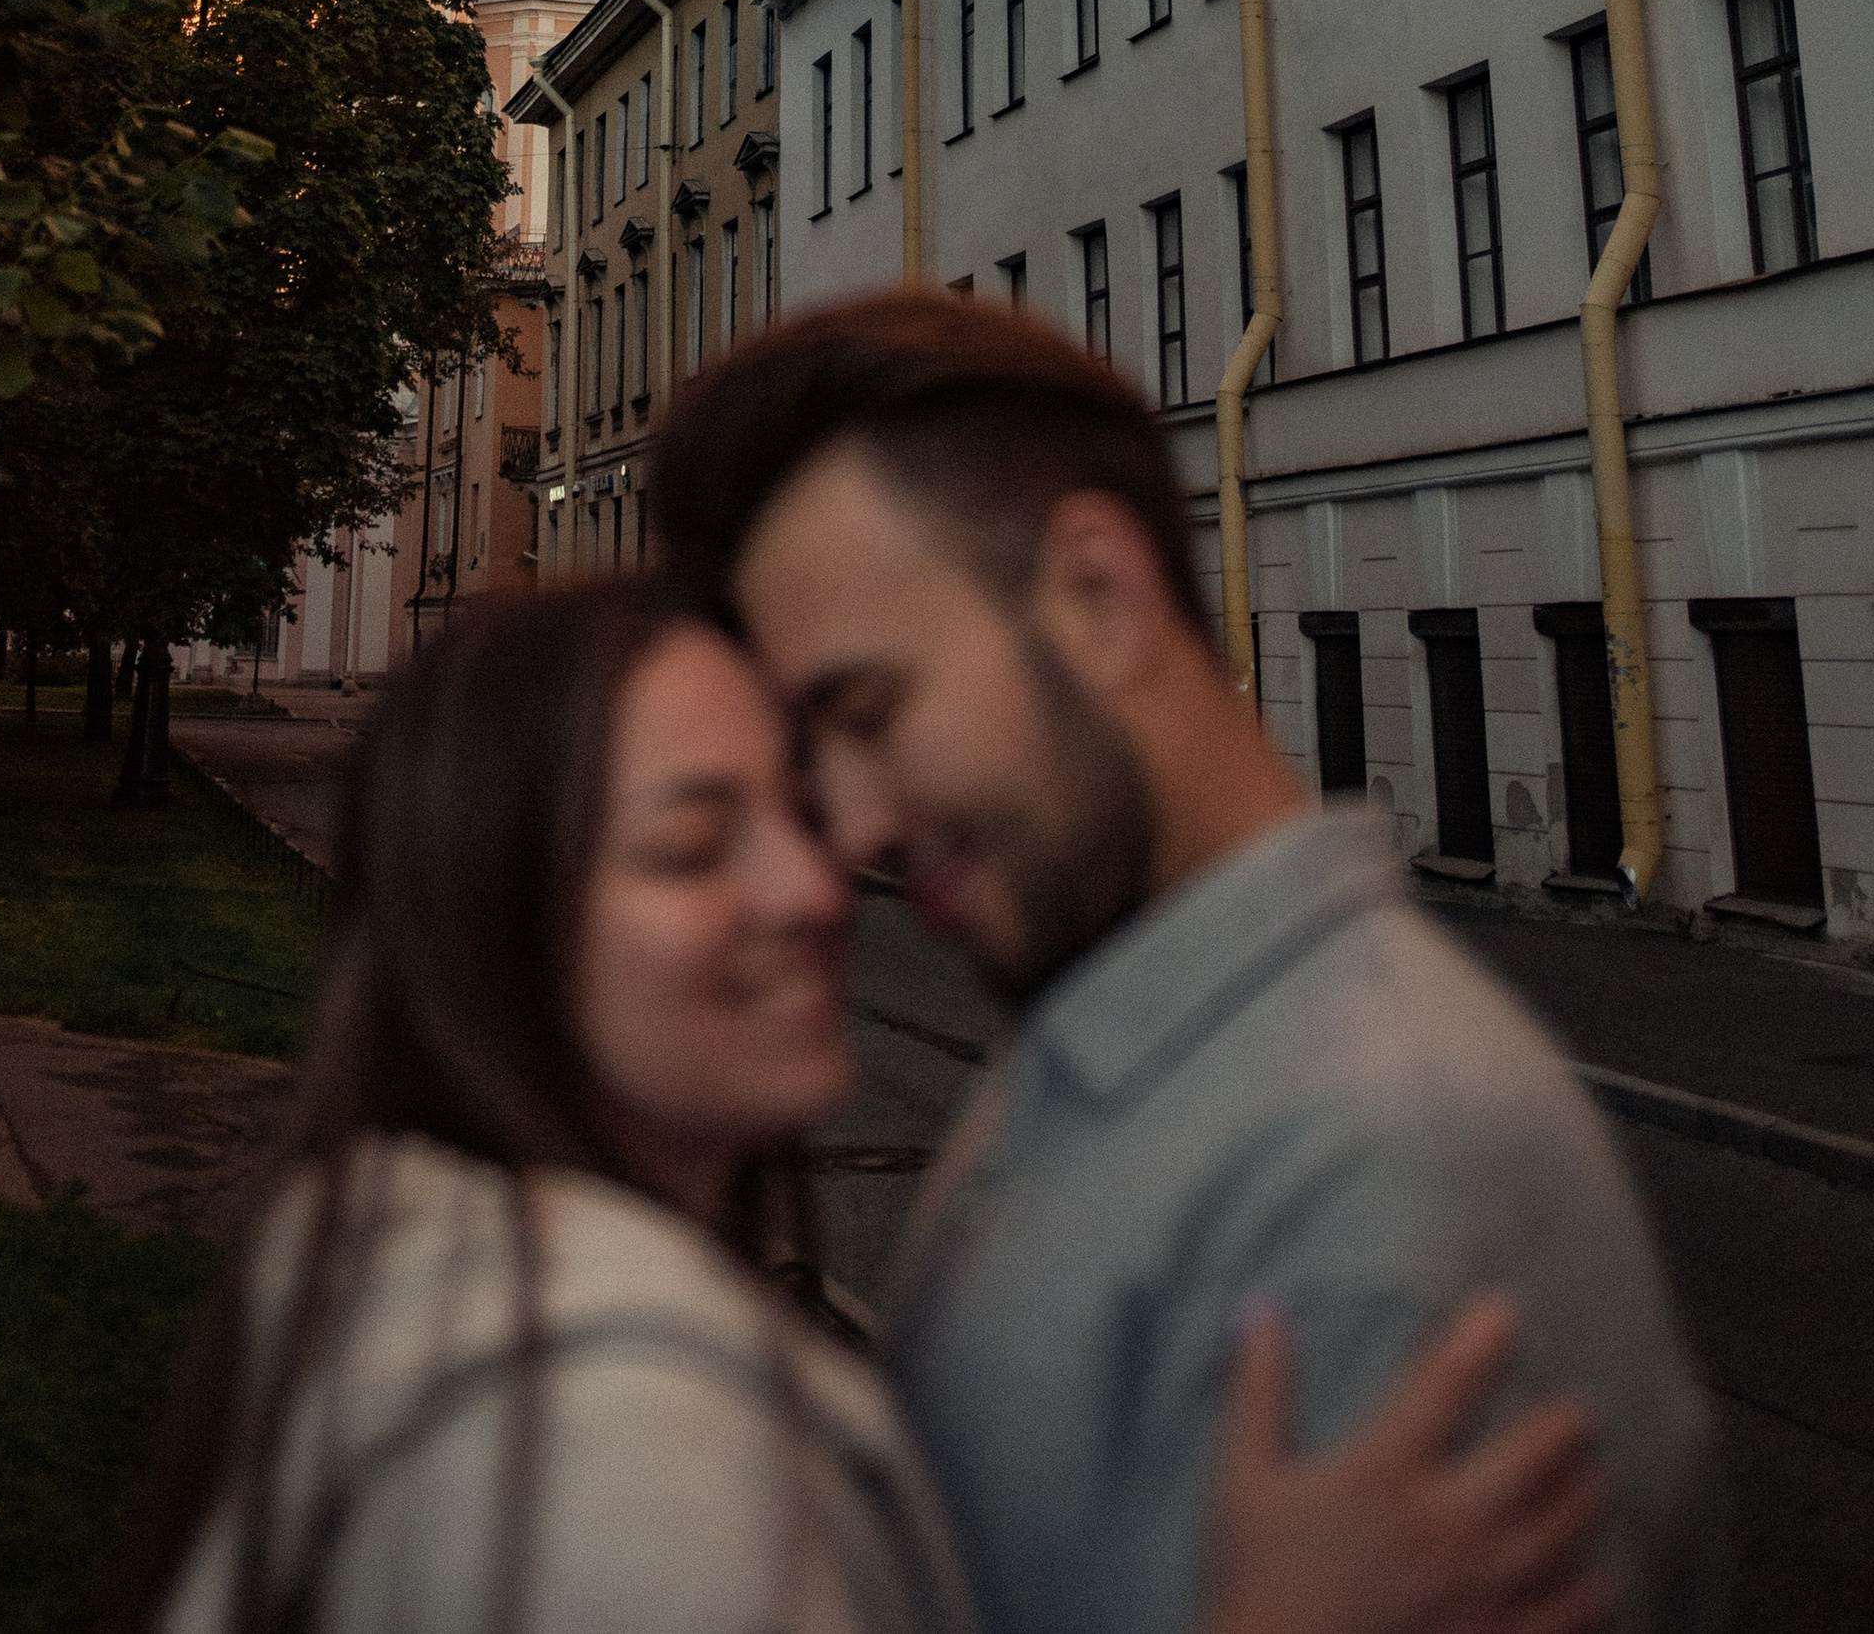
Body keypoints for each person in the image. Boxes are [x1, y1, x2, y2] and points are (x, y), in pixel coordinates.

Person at [123, 578, 1614, 1634]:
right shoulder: (630, 1456)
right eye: (697, 843)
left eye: (795, 807)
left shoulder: (421, 1277)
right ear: (493, 925)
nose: (814, 884)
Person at [651, 289, 1723, 1634]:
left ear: (1099, 594)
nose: (849, 828)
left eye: (868, 710)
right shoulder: (1116, 1042)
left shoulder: (1375, 1167)